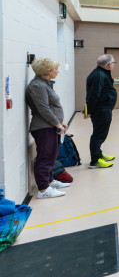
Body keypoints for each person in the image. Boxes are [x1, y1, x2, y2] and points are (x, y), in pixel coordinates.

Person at [25, 58, 71, 198]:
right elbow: (44, 108)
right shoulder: (37, 86)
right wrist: (57, 124)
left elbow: (51, 107)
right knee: (45, 158)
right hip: (43, 127)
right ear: (48, 71)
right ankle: (43, 190)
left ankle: (49, 181)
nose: (58, 71)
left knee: (51, 156)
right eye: (56, 69)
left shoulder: (45, 84)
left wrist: (59, 122)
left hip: (50, 126)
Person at [85, 54, 118, 169]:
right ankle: (95, 160)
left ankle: (98, 154)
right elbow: (93, 95)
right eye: (114, 62)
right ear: (109, 65)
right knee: (98, 136)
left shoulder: (101, 73)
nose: (114, 64)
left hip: (103, 109)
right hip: (101, 110)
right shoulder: (99, 75)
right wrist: (88, 110)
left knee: (99, 134)